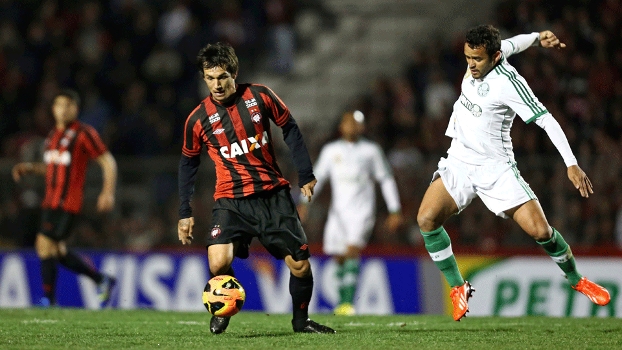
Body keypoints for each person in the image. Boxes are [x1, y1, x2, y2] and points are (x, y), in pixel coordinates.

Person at [415, 25, 611, 322]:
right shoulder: (492, 52)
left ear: (494, 57)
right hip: (460, 159)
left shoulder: (509, 82)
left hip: (496, 169)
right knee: (426, 220)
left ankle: (577, 280)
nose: (471, 65)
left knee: (541, 231)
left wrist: (570, 163)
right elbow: (514, 44)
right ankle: (459, 287)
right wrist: (537, 38)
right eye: (468, 57)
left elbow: (546, 120)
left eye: (477, 59)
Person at [177, 42, 335, 334]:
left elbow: (290, 127)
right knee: (217, 262)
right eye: (210, 78)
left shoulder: (260, 96)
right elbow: (188, 163)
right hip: (231, 200)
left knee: (300, 266)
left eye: (222, 76)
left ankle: (301, 323)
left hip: (271, 196)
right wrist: (184, 211)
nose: (217, 84)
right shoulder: (197, 119)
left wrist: (306, 173)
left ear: (234, 72)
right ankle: (225, 304)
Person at [12, 89, 118, 307]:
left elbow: (107, 161)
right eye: (59, 105)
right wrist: (31, 168)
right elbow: (53, 167)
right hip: (50, 201)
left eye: (68, 105)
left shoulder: (84, 133)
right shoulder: (52, 136)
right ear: (53, 109)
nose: (63, 110)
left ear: (76, 109)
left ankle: (48, 300)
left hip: (67, 202)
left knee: (43, 244)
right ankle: (101, 280)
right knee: (56, 250)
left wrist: (107, 191)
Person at [297, 110, 402, 315]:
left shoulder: (371, 151)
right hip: (338, 213)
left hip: (362, 211)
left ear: (362, 128)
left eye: (357, 123)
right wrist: (304, 203)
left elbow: (386, 179)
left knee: (352, 249)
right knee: (339, 257)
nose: (352, 126)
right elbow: (317, 177)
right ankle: (341, 302)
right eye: (349, 122)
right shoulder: (331, 150)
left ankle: (347, 303)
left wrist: (394, 209)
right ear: (341, 126)